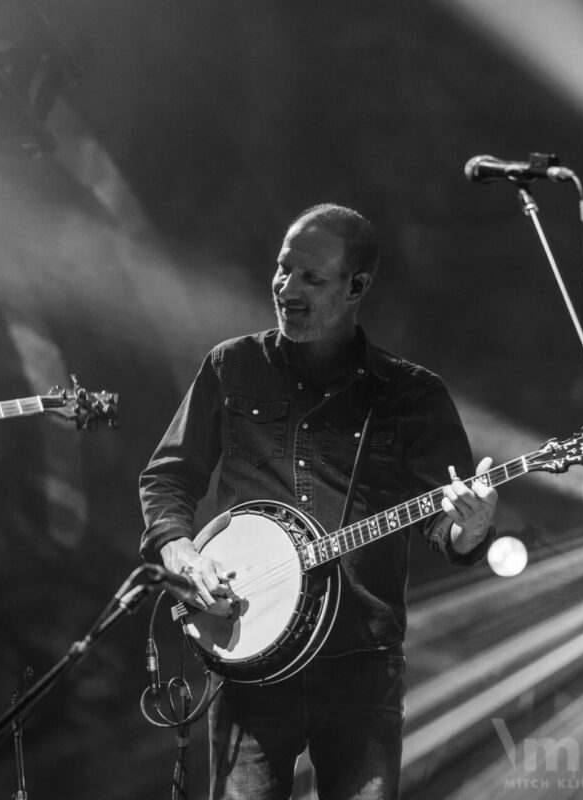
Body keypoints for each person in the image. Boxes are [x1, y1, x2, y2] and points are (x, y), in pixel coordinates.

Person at [138, 203, 498, 800]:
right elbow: (167, 479)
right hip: (246, 658)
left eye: (311, 278)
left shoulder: (411, 393)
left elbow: (446, 528)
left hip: (361, 666)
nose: (286, 288)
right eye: (283, 270)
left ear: (357, 287)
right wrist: (183, 555)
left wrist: (473, 526)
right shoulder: (233, 366)